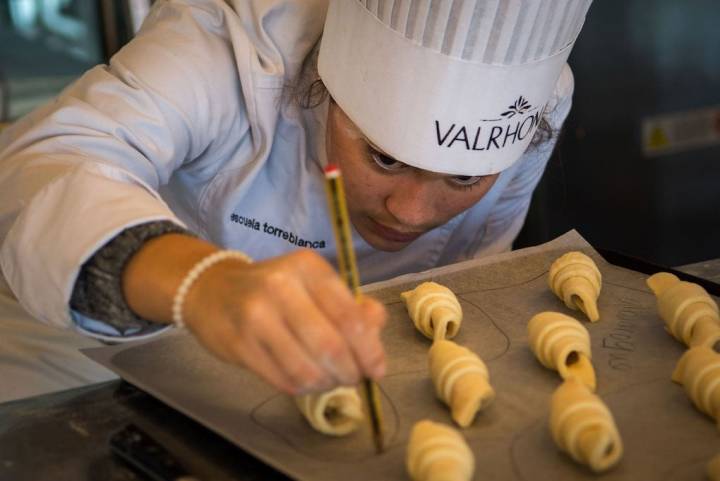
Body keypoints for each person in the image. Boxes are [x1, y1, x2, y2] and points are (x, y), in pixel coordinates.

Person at [0, 0, 593, 402]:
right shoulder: (226, 48)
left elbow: (477, 278)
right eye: (383, 158)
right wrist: (203, 284)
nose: (410, 212)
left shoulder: (537, 102)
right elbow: (44, 169)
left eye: (462, 180)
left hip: (341, 378)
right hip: (83, 362)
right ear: (322, 88)